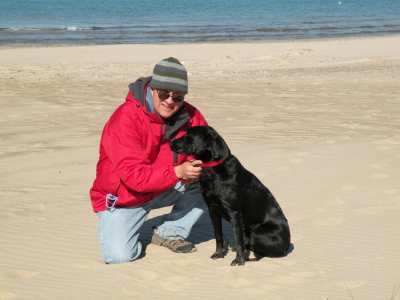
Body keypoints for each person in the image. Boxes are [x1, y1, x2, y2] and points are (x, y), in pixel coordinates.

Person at [89, 57, 208, 264]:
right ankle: (127, 225)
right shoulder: (125, 118)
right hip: (125, 197)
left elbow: (207, 151)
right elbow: (134, 177)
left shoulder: (191, 116)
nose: (170, 101)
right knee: (119, 256)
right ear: (152, 89)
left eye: (178, 97)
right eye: (164, 94)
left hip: (166, 185)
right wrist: (179, 172)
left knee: (211, 182)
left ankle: (168, 231)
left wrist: (197, 168)